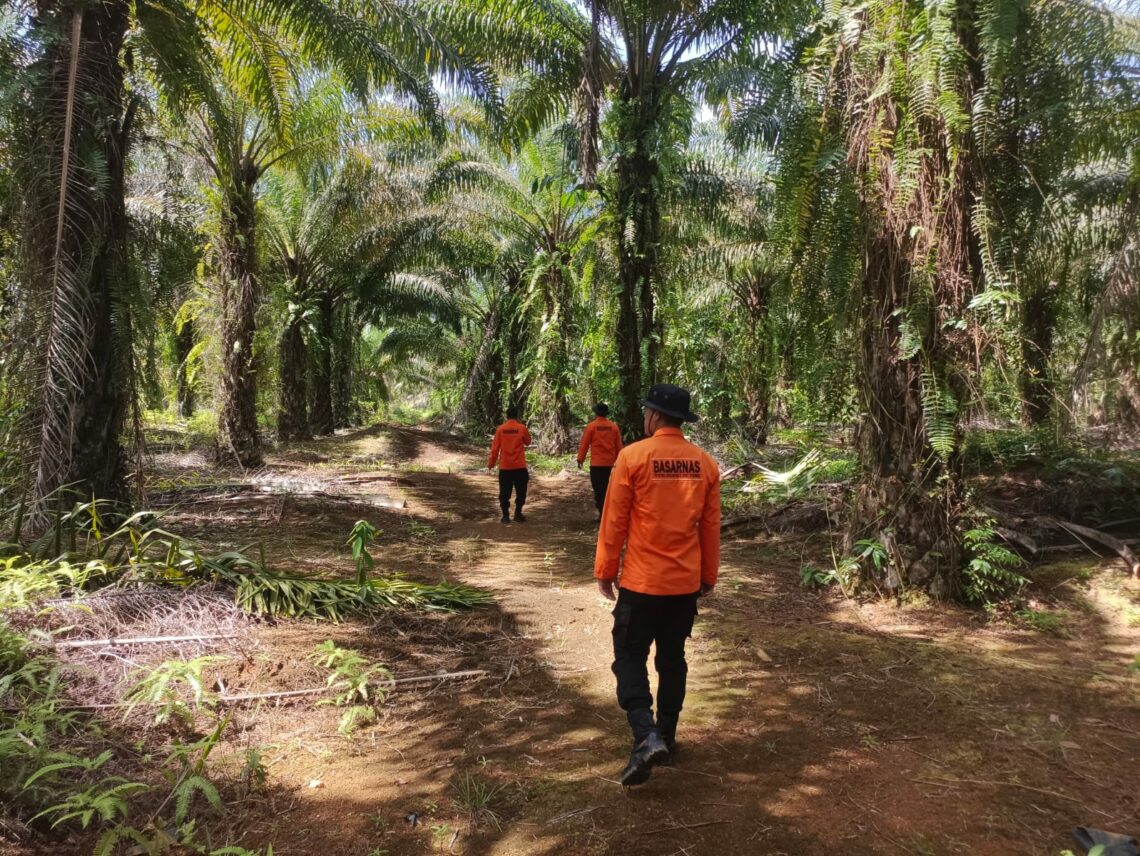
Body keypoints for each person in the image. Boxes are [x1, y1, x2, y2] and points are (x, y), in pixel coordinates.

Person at [594, 384, 720, 787]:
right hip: (683, 584)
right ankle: (666, 734)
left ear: (653, 416)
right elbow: (711, 528)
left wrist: (605, 570)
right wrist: (707, 576)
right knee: (672, 658)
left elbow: (614, 520)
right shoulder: (704, 464)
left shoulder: (632, 457)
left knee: (629, 656)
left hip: (642, 583)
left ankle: (645, 734)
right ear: (681, 420)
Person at [576, 403, 623, 519]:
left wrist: (580, 459)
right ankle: (609, 514)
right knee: (609, 489)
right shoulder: (614, 426)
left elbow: (584, 444)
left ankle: (602, 513)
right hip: (611, 465)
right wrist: (621, 462)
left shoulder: (591, 426)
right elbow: (619, 447)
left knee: (599, 490)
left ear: (596, 413)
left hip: (597, 465)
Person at [488, 405, 532, 523]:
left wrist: (491, 464)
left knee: (504, 492)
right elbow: (528, 442)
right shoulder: (522, 428)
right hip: (520, 467)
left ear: (506, 416)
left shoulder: (500, 429)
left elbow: (495, 449)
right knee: (521, 491)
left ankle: (505, 516)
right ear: (517, 415)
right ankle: (518, 514)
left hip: (505, 467)